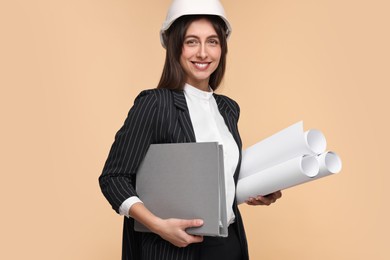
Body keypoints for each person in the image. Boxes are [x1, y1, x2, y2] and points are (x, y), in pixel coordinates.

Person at [99, 0, 282, 259]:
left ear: (222, 48)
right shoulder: (155, 103)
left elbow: (217, 183)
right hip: (173, 249)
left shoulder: (228, 109)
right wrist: (158, 226)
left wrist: (261, 189)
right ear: (176, 47)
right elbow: (113, 178)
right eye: (192, 41)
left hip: (229, 245)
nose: (203, 53)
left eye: (213, 41)